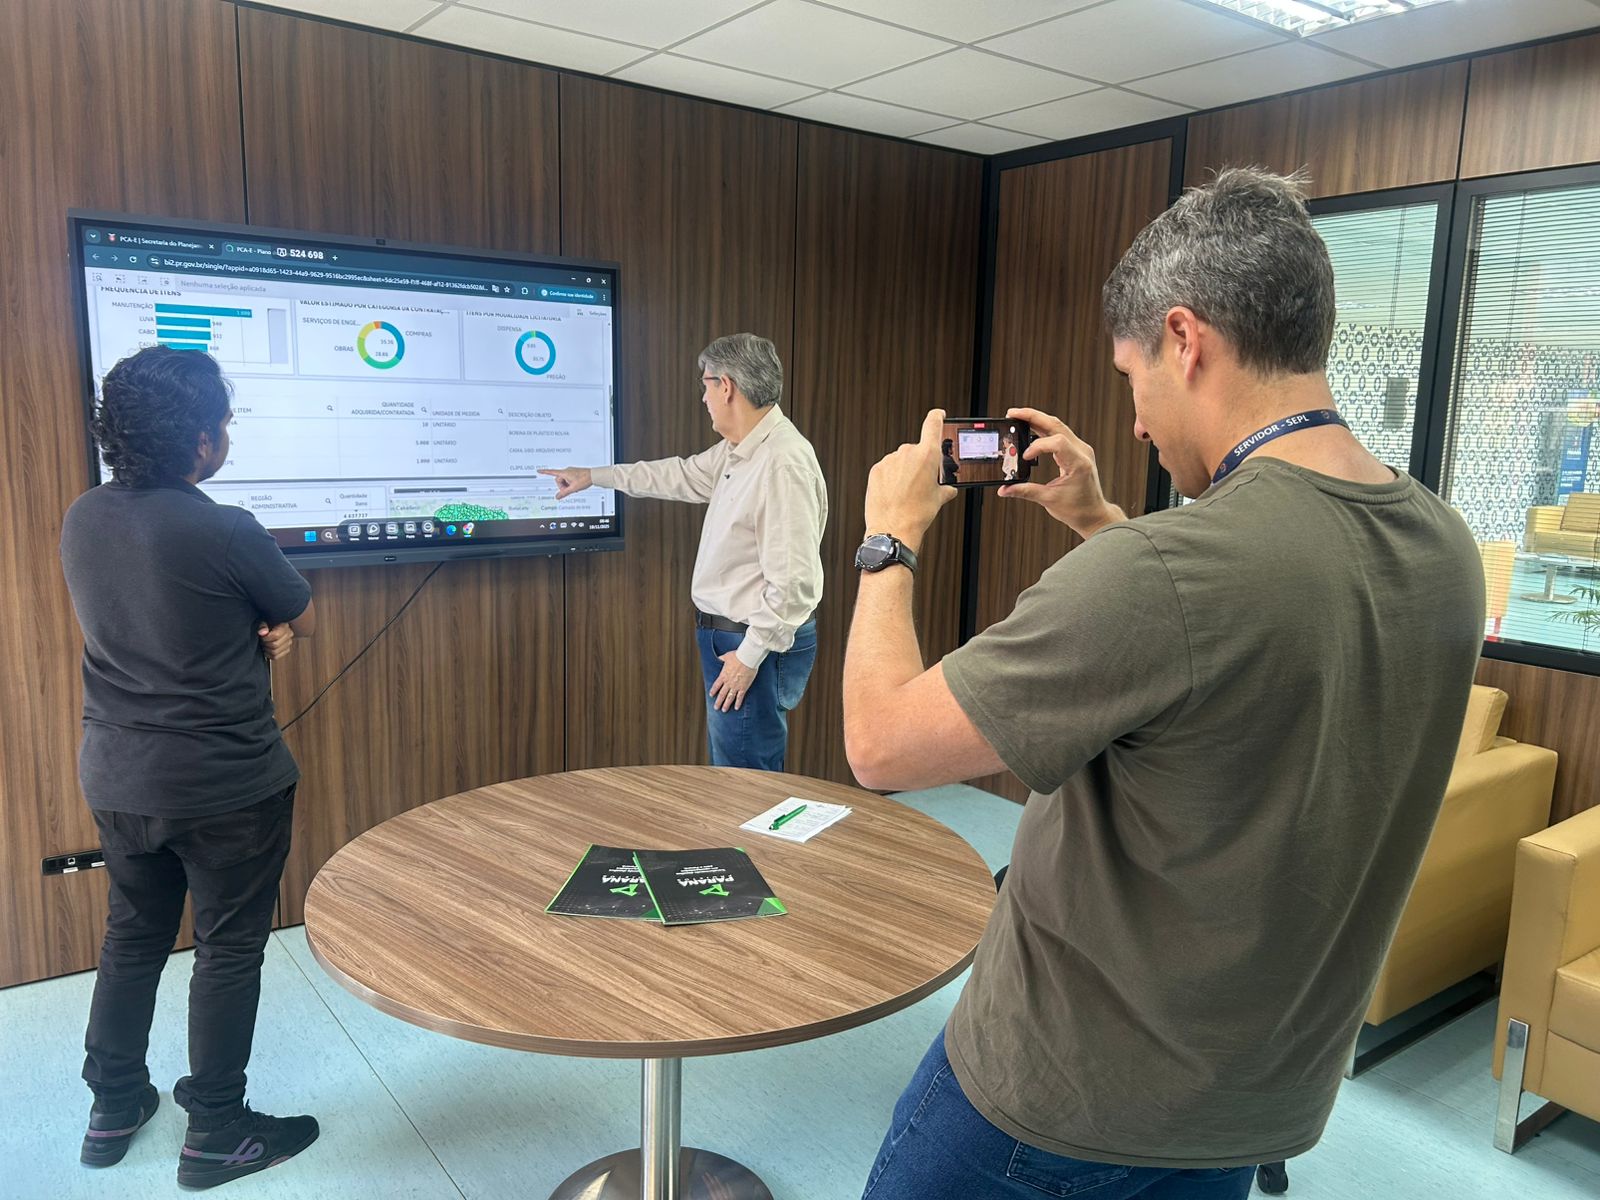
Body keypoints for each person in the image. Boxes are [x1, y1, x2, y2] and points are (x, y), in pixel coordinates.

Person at [841, 168, 1484, 1200]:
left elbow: (881, 744)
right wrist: (1100, 522)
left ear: (1185, 340)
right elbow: (1229, 658)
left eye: (1131, 375)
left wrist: (889, 537)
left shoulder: (1163, 574)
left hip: (1062, 1096)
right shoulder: (1445, 546)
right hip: (1243, 1107)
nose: (1134, 424)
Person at [60, 346, 319, 1190]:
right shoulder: (225, 527)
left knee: (132, 937)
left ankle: (113, 1105)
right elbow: (296, 609)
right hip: (225, 786)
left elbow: (158, 614)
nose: (227, 436)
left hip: (118, 778)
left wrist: (255, 628)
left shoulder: (83, 516)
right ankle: (216, 1130)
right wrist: (273, 632)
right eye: (224, 423)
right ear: (199, 439)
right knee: (228, 950)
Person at [541, 333, 826, 771]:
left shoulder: (781, 462)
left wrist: (747, 658)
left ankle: (751, 823)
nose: (703, 398)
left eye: (706, 384)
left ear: (726, 387)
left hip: (749, 641)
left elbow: (794, 584)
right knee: (736, 768)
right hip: (733, 638)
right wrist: (594, 476)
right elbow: (678, 475)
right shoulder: (740, 449)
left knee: (746, 776)